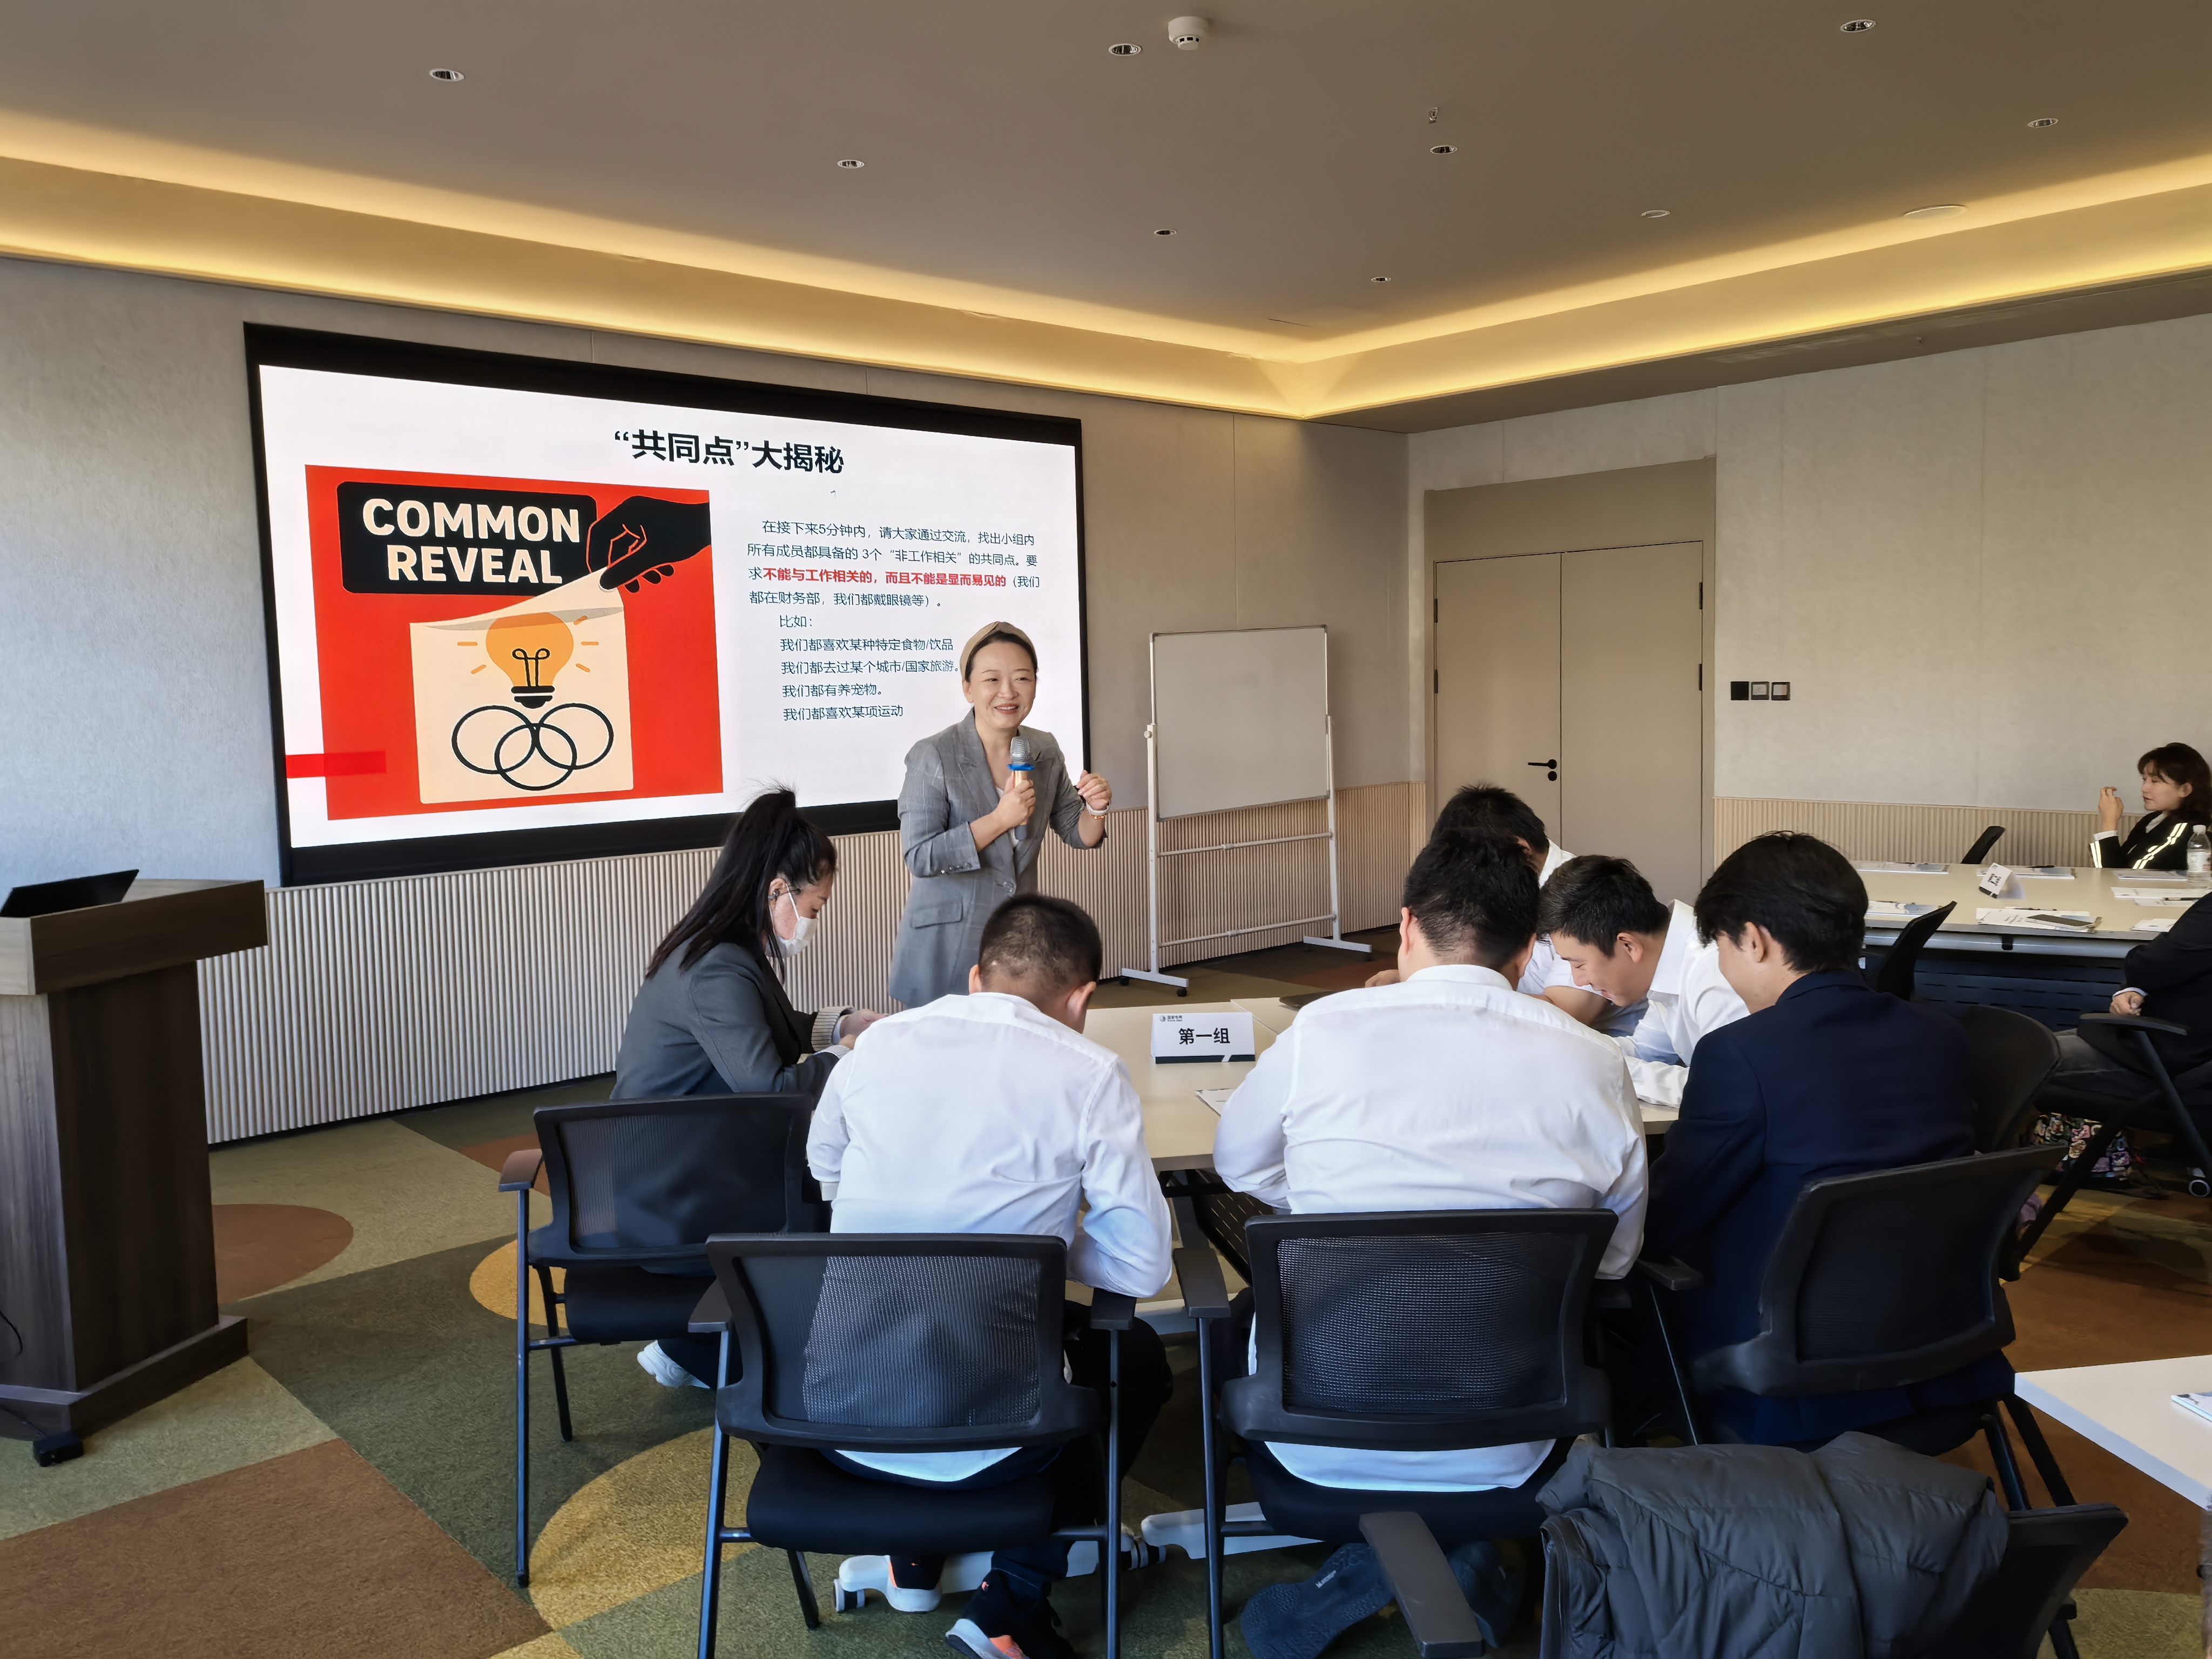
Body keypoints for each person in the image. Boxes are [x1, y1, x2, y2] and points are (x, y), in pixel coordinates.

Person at [1213, 831, 1647, 1656]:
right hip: (1512, 1442)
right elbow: (1615, 1260)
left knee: (1238, 1311)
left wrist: (1327, 1209)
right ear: (1529, 951)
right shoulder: (1595, 1062)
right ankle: (1469, 1554)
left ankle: (1387, 1563)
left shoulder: (1325, 1031)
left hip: (1320, 1437)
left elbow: (1237, 1164)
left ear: (1406, 925)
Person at [807, 894, 1174, 1659]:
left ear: (976, 978)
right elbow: (1141, 1263)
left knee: (920, 1318)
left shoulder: (877, 1044)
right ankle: (1011, 1602)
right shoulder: (1090, 1073)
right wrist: (1042, 1249)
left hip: (835, 1416)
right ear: (1082, 999)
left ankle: (914, 1556)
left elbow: (826, 1173)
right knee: (1134, 1357)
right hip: (1003, 1433)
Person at [1643, 832, 1999, 1445]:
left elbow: (1674, 1215)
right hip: (1941, 1338)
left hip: (1788, 1369)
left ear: (1754, 940)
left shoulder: (1739, 1054)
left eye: (1722, 947)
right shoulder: (1941, 1035)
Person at [611, 787, 884, 1390]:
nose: (814, 922)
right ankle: (709, 1348)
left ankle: (702, 1345)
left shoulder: (723, 947)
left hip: (683, 1161)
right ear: (777, 890)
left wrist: (843, 1025)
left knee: (833, 1163)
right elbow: (770, 1088)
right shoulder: (716, 968)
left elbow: (768, 1030)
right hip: (678, 1194)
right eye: (814, 907)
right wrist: (850, 1052)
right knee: (837, 1177)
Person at [889, 621, 1111, 1008]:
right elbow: (920, 856)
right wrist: (999, 820)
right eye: (992, 679)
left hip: (1014, 945)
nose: (1008, 692)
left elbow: (1079, 833)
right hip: (945, 944)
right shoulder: (934, 754)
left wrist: (1096, 807)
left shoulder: (1043, 749)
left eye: (1022, 678)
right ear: (968, 688)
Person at [1364, 784, 1635, 1032]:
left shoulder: (1585, 896)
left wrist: (1440, 993)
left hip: (1604, 1046)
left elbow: (1564, 1013)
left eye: (1474, 859)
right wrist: (1421, 981)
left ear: (1521, 850)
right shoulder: (1503, 887)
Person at [2032, 883, 2212, 1184]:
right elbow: (2165, 967)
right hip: (2163, 1047)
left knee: (2008, 1063)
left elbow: (2151, 963)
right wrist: (2136, 988)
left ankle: (1971, 1178)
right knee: (2028, 1046)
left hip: (2169, 1063)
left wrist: (2141, 977)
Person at [1541, 855, 1749, 1107]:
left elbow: (1730, 1087)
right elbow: (1645, 1050)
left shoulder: (1714, 968)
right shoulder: (1667, 956)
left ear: (1629, 946)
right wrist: (1573, 1051)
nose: (1579, 980)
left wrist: (1605, 1066)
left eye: (1579, 964)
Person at [2090, 742, 2212, 870]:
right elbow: (2116, 866)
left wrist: (2109, 824)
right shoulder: (2152, 819)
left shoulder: (2185, 830)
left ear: (2185, 790)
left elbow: (2124, 875)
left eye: (2155, 781)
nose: (2144, 788)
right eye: (2144, 779)